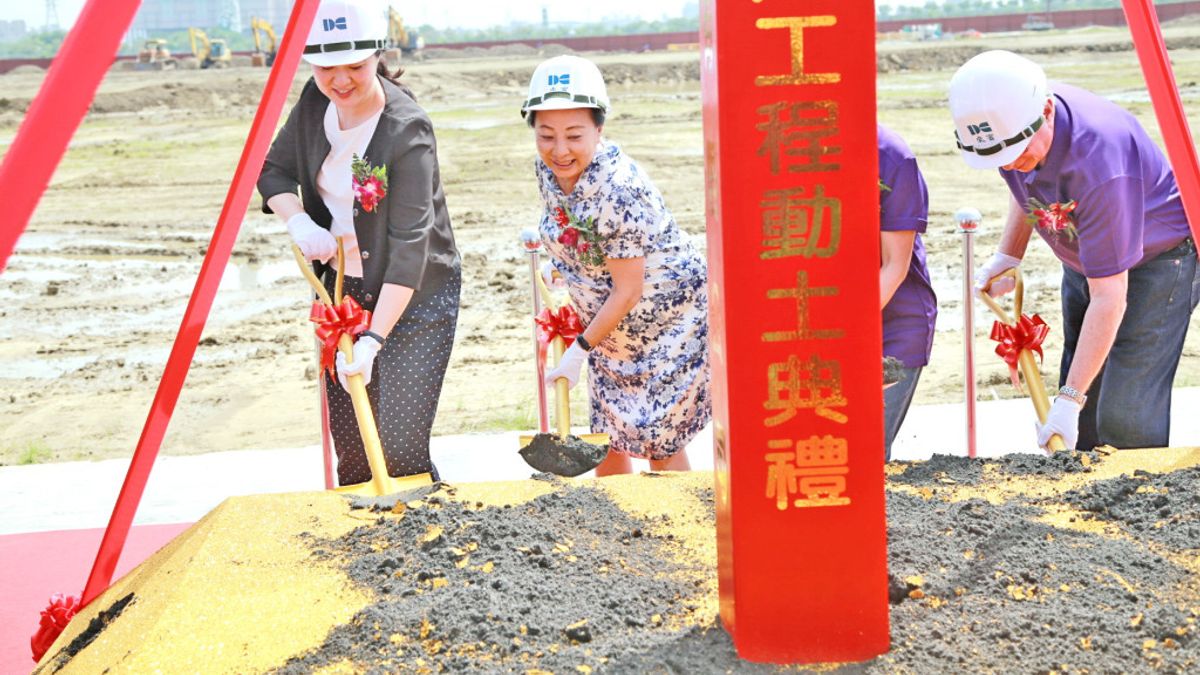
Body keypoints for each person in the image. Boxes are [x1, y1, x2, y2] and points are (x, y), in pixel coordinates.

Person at [949, 50, 1199, 452]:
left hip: (1157, 262)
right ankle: (1084, 501)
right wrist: (1009, 256)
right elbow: (1024, 182)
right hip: (1088, 259)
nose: (1014, 165)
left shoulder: (1099, 162)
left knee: (1125, 413)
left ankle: (1136, 502)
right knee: (1083, 393)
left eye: (1022, 155)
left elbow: (1110, 297)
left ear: (1047, 111)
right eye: (1003, 161)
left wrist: (1067, 402)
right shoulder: (1010, 126)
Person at [257, 0, 460, 484]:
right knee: (353, 446)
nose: (340, 80)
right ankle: (362, 550)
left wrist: (372, 339)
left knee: (396, 444)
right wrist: (300, 223)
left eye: (355, 65)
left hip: (414, 298)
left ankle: (426, 543)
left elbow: (412, 244)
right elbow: (273, 171)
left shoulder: (406, 129)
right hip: (340, 292)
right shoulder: (314, 101)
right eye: (326, 67)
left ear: (377, 54)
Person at [523, 55, 711, 476]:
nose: (559, 149)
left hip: (665, 320)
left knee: (659, 434)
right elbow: (568, 227)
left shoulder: (619, 190)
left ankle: (680, 527)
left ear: (599, 128)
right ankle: (617, 531)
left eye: (574, 135)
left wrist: (579, 351)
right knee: (609, 435)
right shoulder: (548, 168)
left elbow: (629, 289)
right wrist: (565, 267)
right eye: (546, 134)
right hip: (609, 325)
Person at [878, 124, 937, 460]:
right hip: (811, 332)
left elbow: (893, 267)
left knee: (864, 452)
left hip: (892, 327)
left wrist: (841, 339)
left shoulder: (891, 158)